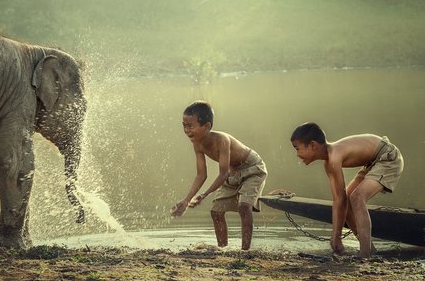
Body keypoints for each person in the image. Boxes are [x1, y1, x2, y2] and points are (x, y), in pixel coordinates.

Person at [290, 122, 404, 258]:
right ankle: (370, 249)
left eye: (297, 148)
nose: (297, 154)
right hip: (372, 162)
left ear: (313, 145)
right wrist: (336, 236)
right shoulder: (329, 162)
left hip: (388, 157)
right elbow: (339, 199)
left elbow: (340, 200)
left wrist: (336, 236)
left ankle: (365, 254)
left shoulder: (334, 156)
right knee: (350, 198)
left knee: (357, 197)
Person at [171, 101, 268, 250]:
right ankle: (222, 249)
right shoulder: (197, 143)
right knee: (216, 211)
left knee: (244, 206)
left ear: (207, 126)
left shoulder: (222, 140)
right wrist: (186, 200)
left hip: (252, 169)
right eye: (184, 125)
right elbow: (201, 175)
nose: (186, 130)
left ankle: (245, 251)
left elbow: (222, 174)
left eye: (190, 126)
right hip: (232, 172)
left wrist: (203, 195)